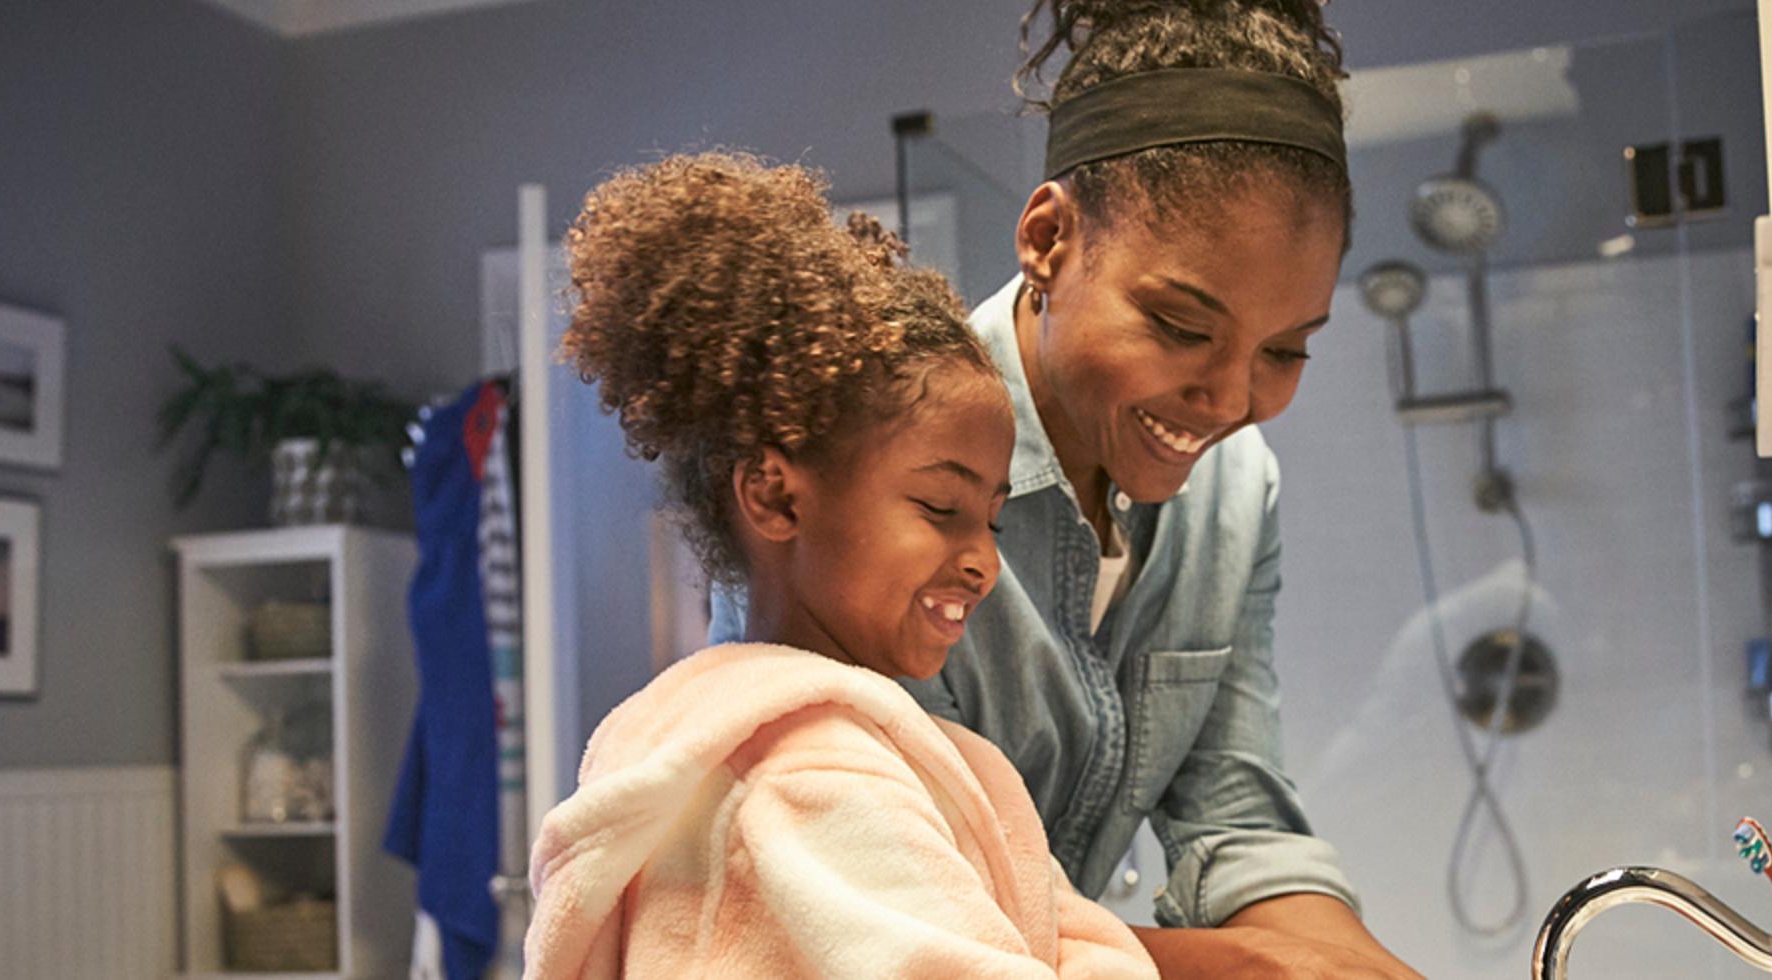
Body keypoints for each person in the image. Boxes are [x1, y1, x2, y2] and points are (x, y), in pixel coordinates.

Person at [723, 0, 1420, 974]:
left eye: (1287, 348)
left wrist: (1356, 957)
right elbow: (900, 903)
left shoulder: (1236, 490)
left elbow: (1230, 799)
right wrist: (1262, 969)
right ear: (1049, 237)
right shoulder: (866, 478)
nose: (1229, 400)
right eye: (1180, 325)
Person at [524, 151, 1155, 979]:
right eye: (940, 509)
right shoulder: (811, 778)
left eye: (992, 520)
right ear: (778, 500)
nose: (983, 563)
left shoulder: (875, 752)